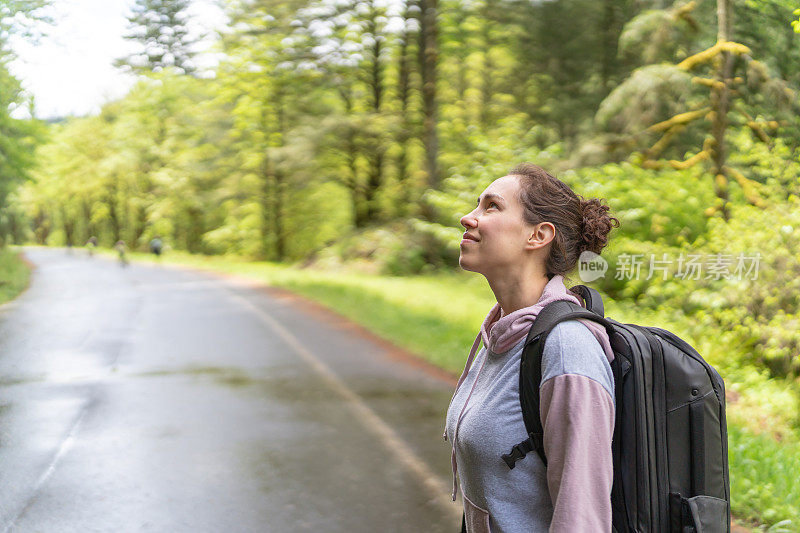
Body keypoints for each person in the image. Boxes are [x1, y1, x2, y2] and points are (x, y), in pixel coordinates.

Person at [444, 163, 621, 532]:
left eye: (491, 206)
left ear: (538, 235)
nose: (468, 217)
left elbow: (582, 518)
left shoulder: (567, 349)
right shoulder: (501, 335)